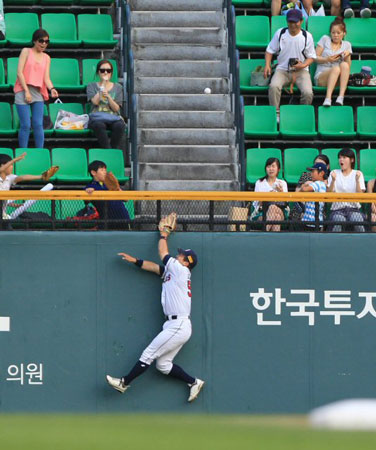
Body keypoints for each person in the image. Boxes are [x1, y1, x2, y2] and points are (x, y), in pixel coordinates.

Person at [106, 227, 205, 403]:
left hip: (178, 325)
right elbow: (155, 268)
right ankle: (194, 382)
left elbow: (162, 252)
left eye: (181, 255)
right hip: (175, 325)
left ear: (187, 262)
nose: (178, 255)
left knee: (149, 354)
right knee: (163, 365)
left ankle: (124, 382)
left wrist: (163, 235)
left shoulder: (181, 270)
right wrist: (135, 261)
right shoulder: (174, 273)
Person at [264, 9, 316, 121]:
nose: (293, 25)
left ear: (301, 21)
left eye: (295, 22)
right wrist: (268, 65)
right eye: (290, 22)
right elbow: (269, 50)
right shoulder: (280, 33)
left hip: (301, 71)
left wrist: (303, 65)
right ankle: (275, 112)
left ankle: (303, 113)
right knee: (274, 86)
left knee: (308, 92)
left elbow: (311, 57)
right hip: (282, 69)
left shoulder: (307, 36)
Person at [14, 29, 58, 149]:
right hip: (23, 89)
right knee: (25, 125)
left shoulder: (47, 57)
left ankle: (40, 151)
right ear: (34, 41)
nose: (44, 44)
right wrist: (26, 92)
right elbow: (19, 73)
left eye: (46, 41)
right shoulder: (26, 51)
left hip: (38, 91)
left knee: (38, 124)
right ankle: (23, 153)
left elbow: (46, 78)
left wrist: (52, 88)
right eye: (41, 41)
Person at [87, 60, 126, 149]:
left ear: (111, 73)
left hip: (113, 117)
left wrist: (108, 97)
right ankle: (108, 150)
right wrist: (102, 86)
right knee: (98, 125)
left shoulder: (118, 87)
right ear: (98, 72)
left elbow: (116, 109)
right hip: (97, 117)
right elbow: (95, 102)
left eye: (108, 71)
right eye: (102, 70)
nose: (105, 72)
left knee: (120, 126)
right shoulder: (91, 86)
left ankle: (112, 149)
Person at [0, 152, 52, 219]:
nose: (12, 167)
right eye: (10, 164)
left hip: (2, 215)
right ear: (2, 166)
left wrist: (41, 176)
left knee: (8, 227)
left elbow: (22, 178)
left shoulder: (9, 178)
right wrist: (14, 160)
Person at [315, 17, 352, 107]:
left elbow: (348, 67)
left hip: (338, 79)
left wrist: (347, 55)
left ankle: (341, 97)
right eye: (333, 33)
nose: (335, 35)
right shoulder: (325, 39)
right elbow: (314, 58)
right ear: (330, 33)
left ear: (344, 33)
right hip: (322, 76)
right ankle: (328, 98)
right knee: (336, 68)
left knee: (344, 65)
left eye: (338, 33)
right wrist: (327, 59)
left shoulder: (347, 45)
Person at [327, 148, 366, 232]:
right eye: (340, 157)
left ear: (351, 160)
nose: (341, 160)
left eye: (344, 157)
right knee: (338, 220)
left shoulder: (358, 173)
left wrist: (357, 181)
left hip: (354, 209)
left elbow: (361, 196)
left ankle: (362, 242)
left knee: (357, 220)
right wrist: (333, 180)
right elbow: (328, 193)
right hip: (337, 209)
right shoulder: (334, 173)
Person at [85, 160, 130, 229]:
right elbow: (86, 200)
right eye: (102, 170)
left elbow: (126, 199)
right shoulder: (90, 187)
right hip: (107, 222)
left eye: (105, 170)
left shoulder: (110, 184)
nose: (105, 172)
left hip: (124, 219)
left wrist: (117, 188)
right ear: (93, 172)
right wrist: (88, 191)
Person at [290, 154, 330, 223]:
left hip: (318, 213)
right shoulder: (306, 175)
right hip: (304, 209)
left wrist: (305, 185)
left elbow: (305, 189)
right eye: (316, 163)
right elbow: (297, 193)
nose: (311, 173)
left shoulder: (329, 178)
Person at [252, 157, 288, 232]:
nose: (271, 169)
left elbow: (286, 203)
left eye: (273, 166)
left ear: (278, 169)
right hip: (262, 213)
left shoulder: (282, 183)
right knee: (276, 217)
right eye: (268, 166)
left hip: (280, 211)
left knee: (272, 207)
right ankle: (274, 241)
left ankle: (264, 233)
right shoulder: (259, 182)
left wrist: (281, 192)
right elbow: (256, 203)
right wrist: (267, 197)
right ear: (266, 169)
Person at [296, 162, 327, 230]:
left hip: (312, 221)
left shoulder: (318, 183)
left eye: (313, 171)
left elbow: (304, 189)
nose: (311, 174)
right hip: (312, 220)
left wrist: (304, 184)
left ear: (321, 173)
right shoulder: (321, 184)